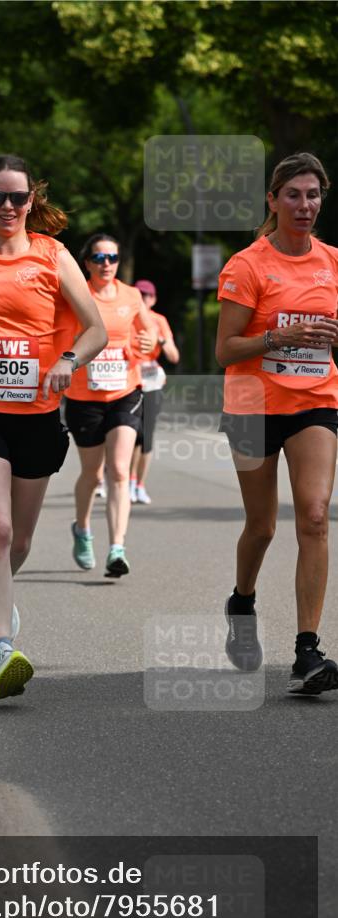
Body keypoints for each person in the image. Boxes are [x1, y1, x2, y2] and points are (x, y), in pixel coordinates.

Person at [0, 154, 107, 700]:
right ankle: (3, 649)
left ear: (32, 201)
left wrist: (67, 361)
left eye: (17, 197)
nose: (8, 206)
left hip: (36, 414)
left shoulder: (53, 257)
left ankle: (0, 590)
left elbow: (95, 328)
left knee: (22, 538)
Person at [216, 151, 338, 695]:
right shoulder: (248, 265)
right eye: (293, 194)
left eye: (313, 195)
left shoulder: (333, 262)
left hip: (315, 399)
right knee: (262, 526)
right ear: (273, 200)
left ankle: (307, 651)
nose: (304, 205)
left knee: (314, 517)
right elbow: (225, 349)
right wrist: (278, 338)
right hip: (251, 403)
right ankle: (242, 601)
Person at [64, 234, 158, 577]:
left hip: (125, 391)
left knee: (119, 470)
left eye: (113, 257)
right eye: (99, 258)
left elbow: (150, 333)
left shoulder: (132, 295)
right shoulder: (75, 294)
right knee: (93, 473)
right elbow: (57, 334)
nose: (107, 264)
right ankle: (82, 528)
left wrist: (149, 340)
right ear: (87, 262)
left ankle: (117, 547)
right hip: (83, 397)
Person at [129, 279, 180, 504]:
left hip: (151, 381)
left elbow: (174, 356)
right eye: (139, 294)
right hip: (128, 380)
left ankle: (140, 484)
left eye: (147, 295)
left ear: (154, 299)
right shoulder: (126, 317)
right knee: (131, 433)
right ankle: (127, 480)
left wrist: (158, 338)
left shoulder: (160, 321)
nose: (143, 298)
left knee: (147, 436)